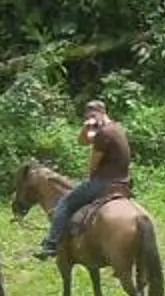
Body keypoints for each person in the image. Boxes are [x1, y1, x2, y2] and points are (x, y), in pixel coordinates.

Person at [34, 99, 132, 258]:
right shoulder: (116, 128)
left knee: (64, 203)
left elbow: (93, 165)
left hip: (104, 182)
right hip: (123, 182)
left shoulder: (103, 134)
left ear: (100, 113)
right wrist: (87, 127)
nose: (91, 118)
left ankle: (51, 244)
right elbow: (81, 142)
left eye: (92, 115)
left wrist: (90, 179)